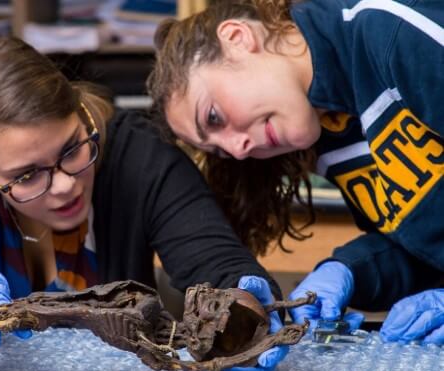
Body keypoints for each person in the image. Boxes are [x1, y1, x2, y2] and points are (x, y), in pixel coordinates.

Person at [0, 36, 288, 371]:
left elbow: (215, 260)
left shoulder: (141, 154)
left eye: (72, 148)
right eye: (26, 176)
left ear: (79, 111)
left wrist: (247, 308)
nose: (64, 185)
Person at [147, 0, 444, 345]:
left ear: (237, 38)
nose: (237, 150)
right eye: (217, 149)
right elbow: (428, 243)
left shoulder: (387, 31)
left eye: (213, 116)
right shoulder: (327, 134)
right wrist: (349, 270)